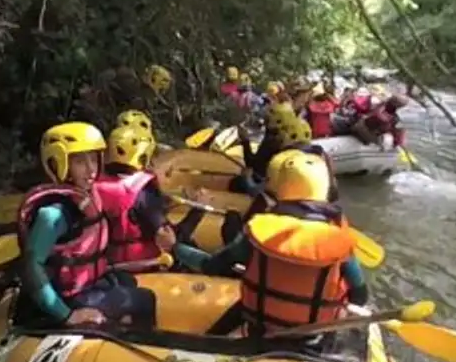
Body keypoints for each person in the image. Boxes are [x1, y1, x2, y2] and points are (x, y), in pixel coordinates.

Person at [201, 150, 369, 336]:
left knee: (233, 316)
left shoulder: (258, 232)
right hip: (313, 335)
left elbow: (212, 266)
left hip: (259, 327)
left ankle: (207, 341)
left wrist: (177, 247)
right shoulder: (341, 243)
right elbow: (360, 296)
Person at [16, 122, 155, 330]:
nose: (91, 169)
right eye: (80, 161)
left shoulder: (86, 196)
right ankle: (142, 344)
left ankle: (118, 327)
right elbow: (30, 267)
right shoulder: (54, 214)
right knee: (145, 299)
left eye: (94, 159)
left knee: (127, 281)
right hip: (67, 299)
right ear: (59, 163)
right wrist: (67, 315)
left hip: (84, 285)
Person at [94, 124, 177, 266]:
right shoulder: (144, 192)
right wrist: (196, 214)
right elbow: (167, 239)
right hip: (142, 266)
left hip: (103, 264)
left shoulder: (94, 183)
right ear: (144, 156)